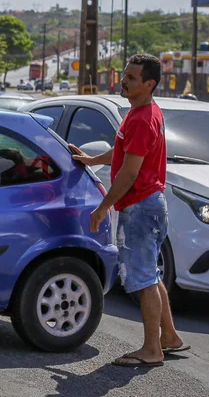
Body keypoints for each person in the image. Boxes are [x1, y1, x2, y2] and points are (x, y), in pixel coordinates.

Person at [70, 54, 187, 367]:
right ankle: (169, 337)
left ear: (148, 84)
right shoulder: (141, 113)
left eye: (132, 78)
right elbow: (123, 150)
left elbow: (129, 173)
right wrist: (93, 160)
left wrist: (102, 207)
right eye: (125, 74)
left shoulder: (141, 118)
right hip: (150, 204)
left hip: (140, 207)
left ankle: (151, 350)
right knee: (151, 273)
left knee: (144, 278)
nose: (124, 80)